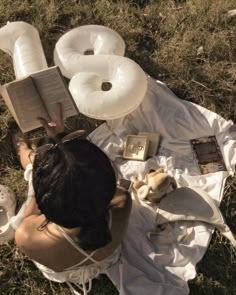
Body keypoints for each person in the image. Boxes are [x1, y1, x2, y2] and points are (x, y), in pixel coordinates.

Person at [14, 104, 132, 294]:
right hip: (103, 258)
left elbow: (31, 213)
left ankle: (22, 146)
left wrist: (44, 175)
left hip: (62, 264)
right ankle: (36, 154)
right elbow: (102, 191)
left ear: (48, 204)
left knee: (32, 162)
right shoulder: (123, 202)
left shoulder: (26, 235)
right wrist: (60, 139)